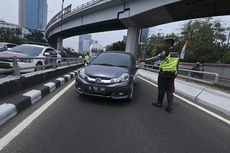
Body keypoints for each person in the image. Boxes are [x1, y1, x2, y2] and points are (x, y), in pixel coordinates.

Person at [140, 38, 180, 113]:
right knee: (169, 90)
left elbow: (155, 58)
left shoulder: (165, 52)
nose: (164, 45)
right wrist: (176, 73)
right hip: (172, 74)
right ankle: (169, 106)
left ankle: (159, 103)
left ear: (169, 44)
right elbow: (177, 63)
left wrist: (144, 60)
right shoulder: (177, 53)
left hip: (164, 73)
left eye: (165, 43)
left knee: (161, 89)